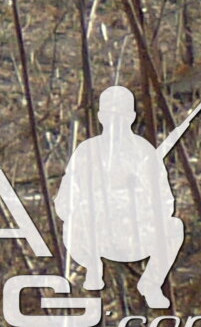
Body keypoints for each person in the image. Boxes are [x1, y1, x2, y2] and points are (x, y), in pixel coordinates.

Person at [58, 84, 188, 309]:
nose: (115, 121)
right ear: (100, 116)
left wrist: (140, 204)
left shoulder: (145, 154)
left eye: (121, 115)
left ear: (132, 117)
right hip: (96, 237)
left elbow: (166, 202)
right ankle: (93, 269)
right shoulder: (87, 152)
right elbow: (64, 202)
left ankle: (150, 284)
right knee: (70, 226)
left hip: (135, 235)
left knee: (174, 227)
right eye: (110, 115)